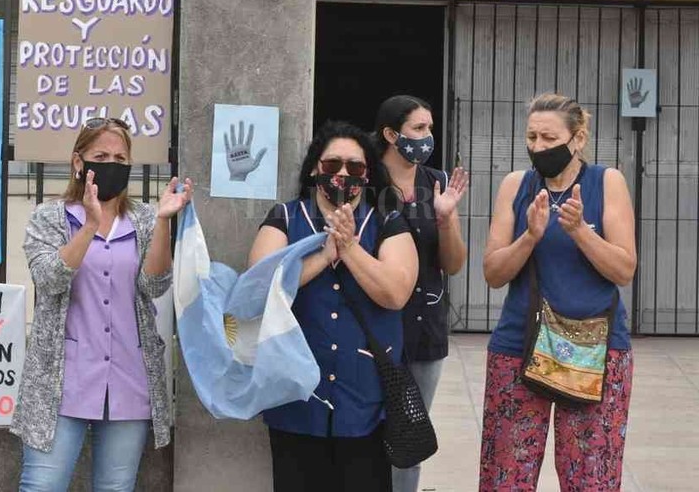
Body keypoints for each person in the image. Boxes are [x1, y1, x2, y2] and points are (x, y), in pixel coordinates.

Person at [11, 117, 192, 491]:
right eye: (101, 155)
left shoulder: (141, 219)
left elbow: (154, 284)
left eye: (120, 158)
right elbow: (49, 279)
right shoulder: (49, 217)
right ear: (79, 163)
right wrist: (91, 225)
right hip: (62, 382)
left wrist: (161, 222)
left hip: (128, 377)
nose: (112, 163)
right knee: (42, 485)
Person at [249, 120, 419, 492]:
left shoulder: (387, 222)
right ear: (315, 169)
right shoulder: (285, 217)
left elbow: (396, 292)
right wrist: (324, 257)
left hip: (364, 403)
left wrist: (350, 248)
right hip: (295, 398)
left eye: (355, 168)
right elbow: (258, 291)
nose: (343, 174)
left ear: (367, 174)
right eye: (332, 165)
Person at [479, 93, 636, 490]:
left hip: (594, 348)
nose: (538, 147)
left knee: (591, 474)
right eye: (531, 137)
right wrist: (530, 237)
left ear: (578, 138)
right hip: (520, 343)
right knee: (506, 474)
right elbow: (493, 273)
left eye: (549, 138)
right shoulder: (516, 185)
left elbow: (624, 268)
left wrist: (580, 231)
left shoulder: (607, 182)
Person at [373, 95, 468, 492]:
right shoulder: (366, 180)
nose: (427, 137)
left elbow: (455, 263)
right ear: (391, 134)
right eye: (419, 128)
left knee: (411, 431)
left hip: (426, 325)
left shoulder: (438, 183)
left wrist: (445, 220)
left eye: (429, 128)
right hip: (377, 325)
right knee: (368, 426)